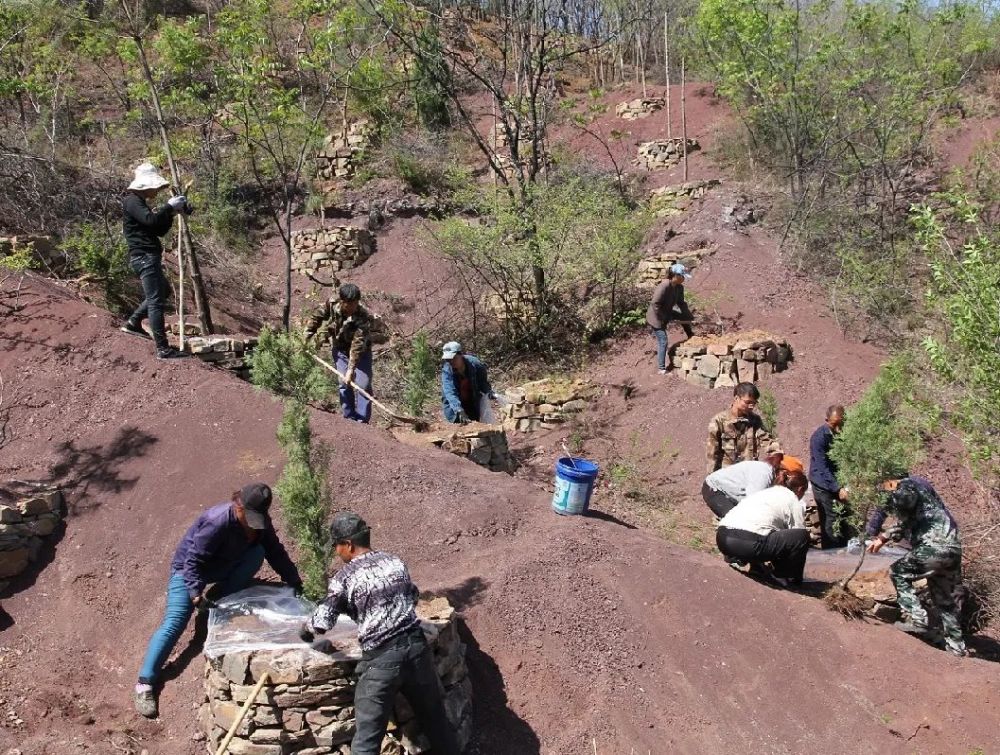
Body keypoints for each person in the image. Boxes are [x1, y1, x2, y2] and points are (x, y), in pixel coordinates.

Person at [134, 483, 302, 718]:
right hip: (189, 571)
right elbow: (192, 561)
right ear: (239, 505)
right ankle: (145, 682)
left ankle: (220, 599)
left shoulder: (261, 523)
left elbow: (275, 550)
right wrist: (194, 594)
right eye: (250, 517)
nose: (254, 523)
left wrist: (294, 581)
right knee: (175, 621)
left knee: (258, 552)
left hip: (225, 565)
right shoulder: (217, 521)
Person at [300, 513, 461, 755]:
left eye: (336, 546)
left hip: (381, 662)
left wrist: (305, 632)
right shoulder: (394, 562)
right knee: (436, 721)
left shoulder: (344, 577)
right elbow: (412, 596)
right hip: (417, 652)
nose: (336, 552)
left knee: (367, 741)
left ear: (348, 545)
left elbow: (322, 622)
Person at [866, 472, 967, 657]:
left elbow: (902, 510)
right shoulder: (927, 496)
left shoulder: (907, 487)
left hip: (934, 546)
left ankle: (917, 618)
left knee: (898, 571)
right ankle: (956, 648)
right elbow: (908, 521)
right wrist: (881, 535)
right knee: (946, 601)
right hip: (953, 549)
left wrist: (882, 536)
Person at [120, 162, 190, 360]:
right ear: (145, 185)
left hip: (148, 256)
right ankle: (163, 348)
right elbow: (151, 221)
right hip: (144, 257)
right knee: (155, 300)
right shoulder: (132, 201)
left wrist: (172, 211)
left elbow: (158, 229)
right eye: (155, 187)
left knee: (163, 291)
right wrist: (168, 207)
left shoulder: (139, 203)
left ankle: (133, 323)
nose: (157, 191)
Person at [716, 471, 811, 587]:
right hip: (747, 544)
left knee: (766, 530)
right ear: (800, 489)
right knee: (801, 536)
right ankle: (783, 576)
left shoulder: (765, 492)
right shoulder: (793, 500)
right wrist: (797, 575)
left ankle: (746, 562)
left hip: (723, 538)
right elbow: (797, 535)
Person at [305, 283, 375, 423]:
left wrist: (351, 369)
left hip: (361, 352)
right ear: (342, 302)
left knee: (363, 385)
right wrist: (306, 337)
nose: (354, 308)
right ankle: (349, 419)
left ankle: (362, 423)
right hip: (341, 349)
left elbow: (357, 344)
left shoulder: (363, 316)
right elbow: (316, 317)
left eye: (356, 304)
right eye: (350, 305)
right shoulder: (331, 304)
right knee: (344, 383)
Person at [706, 382, 781, 474]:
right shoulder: (719, 421)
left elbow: (767, 440)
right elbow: (712, 454)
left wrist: (778, 455)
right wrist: (711, 478)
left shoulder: (754, 420)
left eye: (754, 403)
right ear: (736, 398)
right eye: (748, 402)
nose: (751, 406)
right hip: (727, 477)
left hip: (748, 476)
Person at [702, 453, 803, 518]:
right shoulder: (764, 473)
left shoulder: (772, 476)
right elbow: (753, 504)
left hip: (731, 495)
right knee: (737, 523)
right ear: (784, 471)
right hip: (715, 489)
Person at [809, 404, 852, 548]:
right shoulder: (818, 438)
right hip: (822, 484)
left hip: (837, 480)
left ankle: (844, 547)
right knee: (830, 518)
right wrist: (838, 488)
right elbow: (822, 467)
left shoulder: (846, 433)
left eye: (841, 424)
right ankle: (831, 554)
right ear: (827, 420)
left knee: (844, 515)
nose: (838, 429)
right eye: (835, 425)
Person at [645, 263, 695, 375]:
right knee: (663, 341)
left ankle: (691, 335)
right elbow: (655, 304)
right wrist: (663, 318)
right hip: (656, 316)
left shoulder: (679, 287)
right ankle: (662, 369)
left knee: (684, 317)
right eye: (683, 277)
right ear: (676, 275)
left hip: (667, 312)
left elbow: (681, 303)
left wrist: (688, 316)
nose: (684, 279)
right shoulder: (664, 286)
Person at [440, 341, 497, 424]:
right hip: (454, 404)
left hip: (471, 400)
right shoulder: (447, 370)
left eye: (454, 358)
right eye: (448, 360)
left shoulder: (476, 364)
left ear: (461, 355)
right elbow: (450, 393)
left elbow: (482, 382)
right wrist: (459, 410)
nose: (451, 362)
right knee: (458, 425)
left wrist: (489, 391)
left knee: (474, 424)